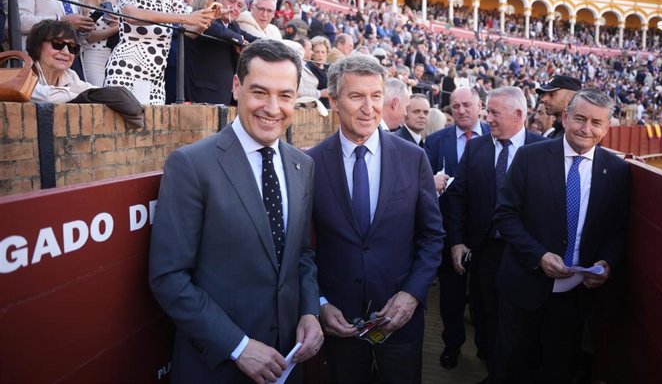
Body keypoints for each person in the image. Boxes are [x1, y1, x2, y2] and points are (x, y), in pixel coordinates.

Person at [149, 40, 323, 384]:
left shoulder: (303, 165)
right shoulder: (192, 164)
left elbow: (301, 256)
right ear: (236, 87)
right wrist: (238, 346)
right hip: (216, 368)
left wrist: (309, 311)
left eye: (285, 95)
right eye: (260, 92)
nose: (273, 108)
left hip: (286, 365)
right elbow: (169, 278)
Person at [307, 54, 444, 383]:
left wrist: (411, 295)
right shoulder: (310, 164)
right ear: (335, 100)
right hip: (339, 323)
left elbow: (432, 237)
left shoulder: (414, 159)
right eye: (356, 96)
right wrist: (320, 303)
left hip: (400, 321)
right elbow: (302, 249)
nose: (369, 107)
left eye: (376, 96)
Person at [491, 88, 630, 383]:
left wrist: (607, 263)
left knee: (558, 369)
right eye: (580, 118)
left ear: (607, 128)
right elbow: (505, 215)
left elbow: (617, 230)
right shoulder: (530, 156)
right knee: (510, 367)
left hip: (576, 296)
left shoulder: (617, 170)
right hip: (524, 287)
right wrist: (538, 255)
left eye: (596, 123)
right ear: (565, 118)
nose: (586, 129)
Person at [442, 87, 544, 378]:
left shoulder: (542, 149)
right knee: (486, 312)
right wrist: (458, 241)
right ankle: (492, 364)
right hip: (485, 250)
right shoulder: (477, 147)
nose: (488, 118)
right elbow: (458, 197)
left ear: (519, 115)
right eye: (487, 111)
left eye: (494, 113)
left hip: (526, 254)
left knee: (521, 317)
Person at [423, 86, 489, 369]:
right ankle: (452, 344)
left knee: (485, 296)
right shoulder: (436, 142)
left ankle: (487, 351)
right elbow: (423, 189)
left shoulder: (497, 136)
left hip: (487, 234)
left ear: (480, 106)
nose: (461, 111)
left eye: (466, 105)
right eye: (455, 106)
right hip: (449, 233)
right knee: (450, 297)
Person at [103, 0, 214, 105]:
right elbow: (131, 15)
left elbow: (189, 31)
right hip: (126, 68)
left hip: (156, 76)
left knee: (151, 129)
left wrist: (205, 19)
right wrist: (185, 18)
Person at [27, 20, 143, 126]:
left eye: (73, 47)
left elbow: (95, 91)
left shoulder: (70, 75)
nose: (66, 52)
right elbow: (46, 96)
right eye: (57, 44)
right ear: (37, 45)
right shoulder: (23, 71)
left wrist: (96, 96)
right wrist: (88, 97)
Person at [184, 0, 247, 105]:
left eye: (239, 5)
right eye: (231, 1)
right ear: (218, 0)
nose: (234, 8)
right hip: (203, 94)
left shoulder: (234, 26)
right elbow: (219, 31)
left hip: (228, 94)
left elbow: (251, 38)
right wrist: (240, 41)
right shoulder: (203, 16)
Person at [63, 0, 117, 86]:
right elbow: (90, 37)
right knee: (100, 98)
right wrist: (119, 27)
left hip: (119, 54)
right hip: (94, 56)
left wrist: (121, 23)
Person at [306, 36, 331, 108]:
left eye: (323, 52)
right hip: (315, 107)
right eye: (317, 52)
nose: (320, 55)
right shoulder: (308, 68)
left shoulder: (328, 68)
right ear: (312, 53)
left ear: (327, 53)